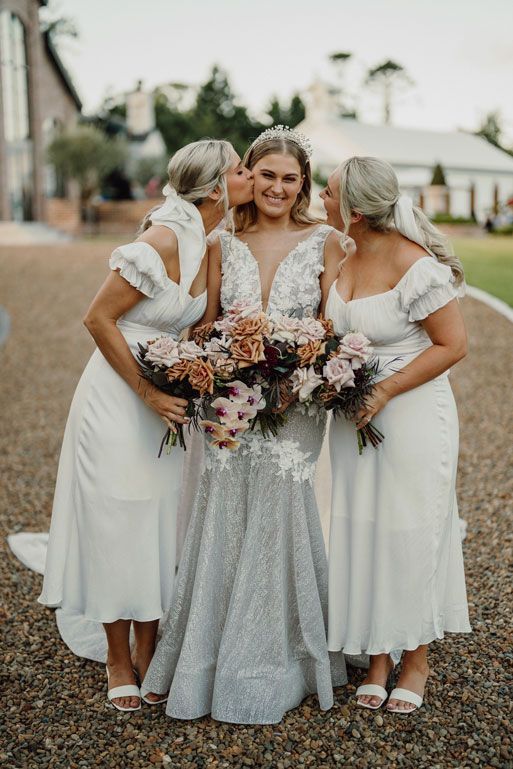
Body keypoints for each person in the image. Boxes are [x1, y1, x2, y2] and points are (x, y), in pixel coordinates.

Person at [38, 140, 254, 712]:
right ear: (215, 189)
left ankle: (151, 647)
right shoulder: (158, 242)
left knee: (161, 520)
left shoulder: (208, 242)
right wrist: (148, 390)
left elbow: (200, 325)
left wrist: (213, 367)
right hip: (119, 394)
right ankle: (116, 656)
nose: (250, 176)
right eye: (241, 170)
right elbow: (97, 317)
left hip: (169, 395)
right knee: (118, 519)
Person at [142, 126, 347, 724]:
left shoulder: (327, 241)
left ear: (303, 183)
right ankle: (207, 655)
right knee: (224, 509)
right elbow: (202, 325)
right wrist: (217, 359)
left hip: (295, 402)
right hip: (227, 397)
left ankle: (279, 656)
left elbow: (331, 326)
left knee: (280, 508)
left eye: (289, 179)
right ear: (248, 177)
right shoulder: (219, 242)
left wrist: (298, 364)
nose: (277, 188)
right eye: (266, 176)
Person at [320, 156, 471, 714]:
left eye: (329, 193)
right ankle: (376, 654)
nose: (322, 200)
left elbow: (452, 346)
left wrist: (382, 392)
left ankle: (416, 660)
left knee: (409, 528)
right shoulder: (341, 254)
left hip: (409, 415)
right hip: (351, 416)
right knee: (363, 526)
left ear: (356, 211)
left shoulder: (418, 268)